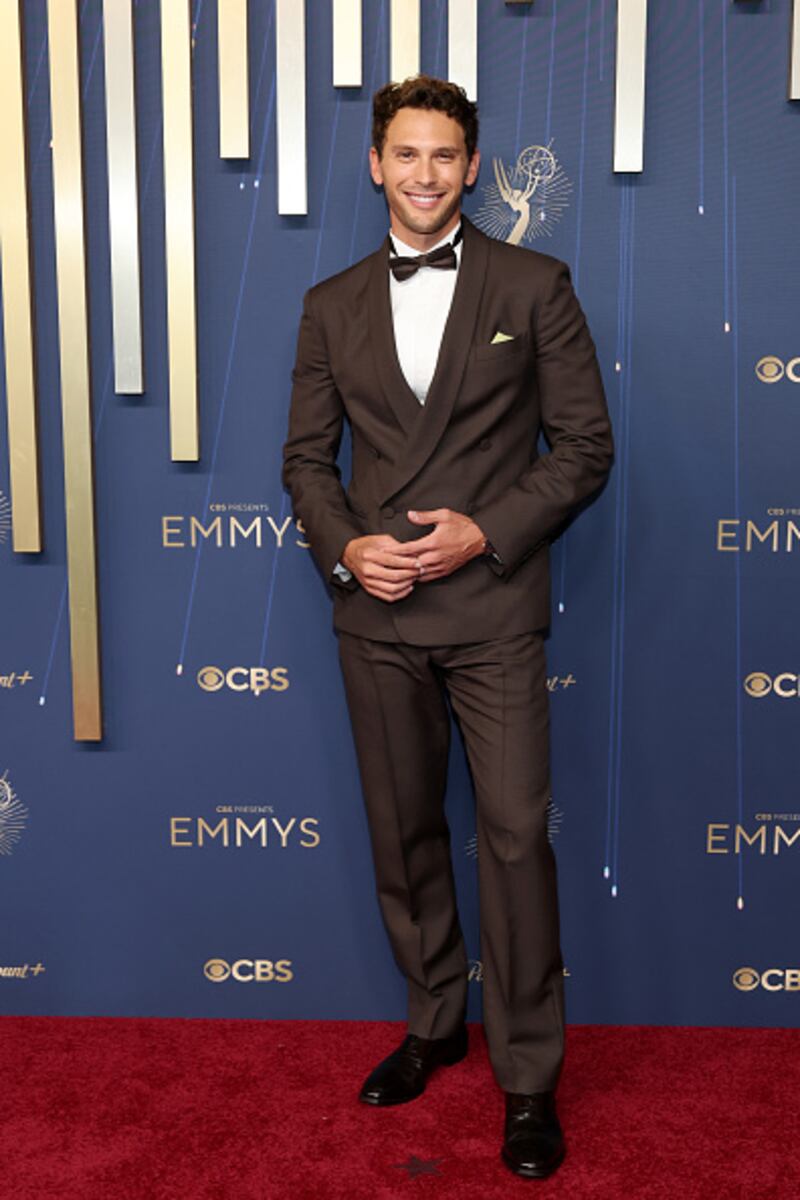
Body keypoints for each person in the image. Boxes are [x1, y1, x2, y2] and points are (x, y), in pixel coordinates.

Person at [282, 75, 613, 1180]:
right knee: (404, 832)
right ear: (375, 165)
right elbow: (304, 460)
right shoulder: (329, 303)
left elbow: (584, 448)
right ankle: (433, 1023)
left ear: (473, 168)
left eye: (444, 156)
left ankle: (529, 1078)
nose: (423, 174)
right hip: (375, 614)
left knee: (514, 839)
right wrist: (345, 548)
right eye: (405, 154)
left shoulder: (534, 282)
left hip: (493, 611)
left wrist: (486, 531)